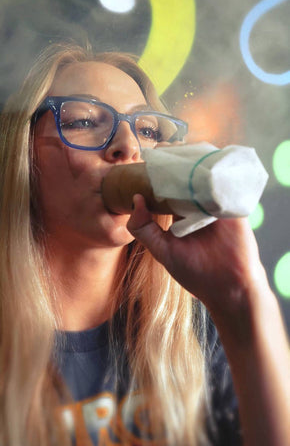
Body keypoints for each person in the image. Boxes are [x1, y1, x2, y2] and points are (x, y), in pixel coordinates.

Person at [0, 42, 289, 446]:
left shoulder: (195, 327)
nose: (129, 146)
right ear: (23, 152)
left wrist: (244, 296)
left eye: (147, 130)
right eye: (84, 121)